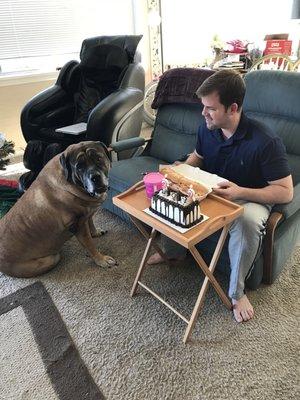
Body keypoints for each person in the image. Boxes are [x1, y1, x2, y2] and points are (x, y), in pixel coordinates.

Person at [147, 69, 293, 323]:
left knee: (246, 221)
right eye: (203, 107)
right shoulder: (208, 127)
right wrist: (177, 171)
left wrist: (240, 192)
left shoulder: (266, 141)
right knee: (173, 193)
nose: (203, 113)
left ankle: (237, 293)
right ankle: (174, 251)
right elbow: (198, 158)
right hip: (215, 188)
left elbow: (285, 191)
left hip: (252, 196)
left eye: (210, 108)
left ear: (232, 108)